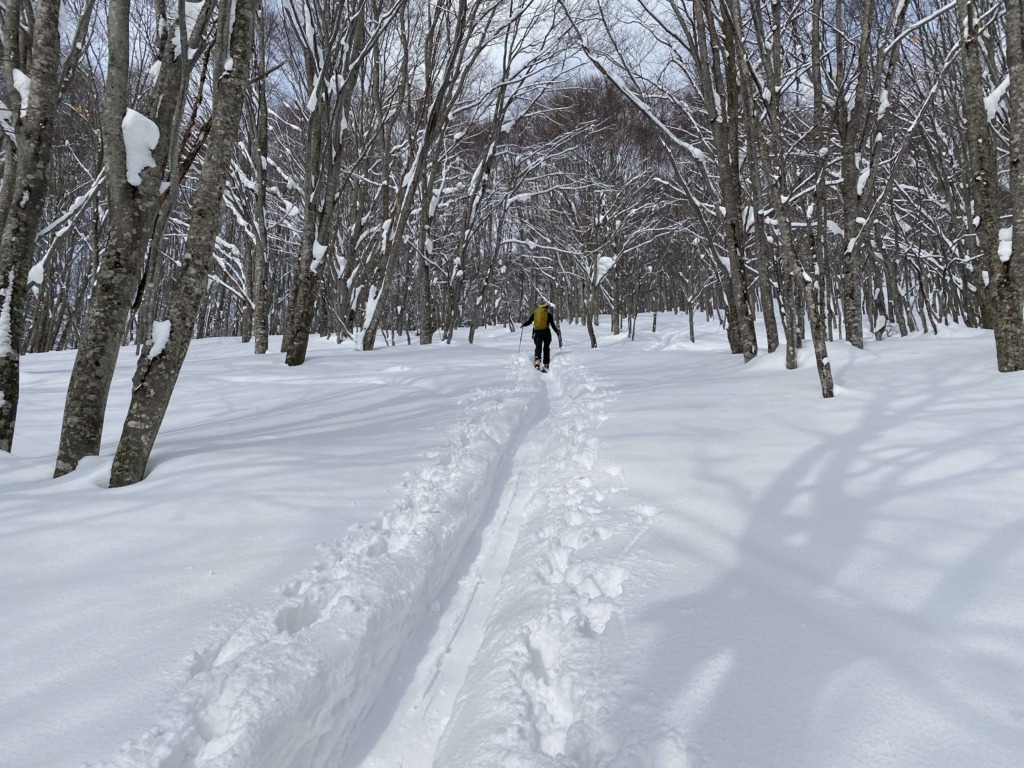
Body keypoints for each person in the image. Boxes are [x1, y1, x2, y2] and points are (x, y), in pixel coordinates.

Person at [521, 301, 562, 371]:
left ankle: (537, 362)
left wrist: (523, 324)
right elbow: (552, 325)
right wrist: (557, 331)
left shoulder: (535, 314)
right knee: (546, 348)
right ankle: (546, 365)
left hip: (537, 333)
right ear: (546, 308)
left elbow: (529, 321)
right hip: (546, 333)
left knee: (538, 347)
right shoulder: (548, 315)